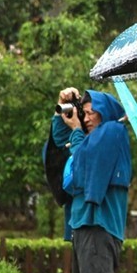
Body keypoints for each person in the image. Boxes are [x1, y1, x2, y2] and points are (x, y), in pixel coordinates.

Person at [59, 89, 131, 273]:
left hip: (100, 228)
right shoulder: (92, 139)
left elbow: (81, 167)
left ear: (107, 112)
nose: (86, 118)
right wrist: (65, 109)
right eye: (84, 113)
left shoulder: (112, 132)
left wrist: (77, 133)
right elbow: (60, 142)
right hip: (82, 227)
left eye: (92, 112)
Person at [42, 87, 83, 240]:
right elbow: (58, 141)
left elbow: (82, 161)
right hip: (75, 222)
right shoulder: (71, 140)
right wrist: (61, 106)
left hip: (93, 227)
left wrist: (78, 128)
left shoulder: (96, 139)